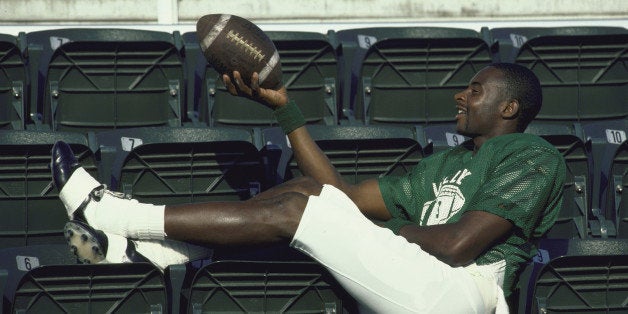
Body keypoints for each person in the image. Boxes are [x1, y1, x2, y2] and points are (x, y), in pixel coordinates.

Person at [51, 62, 565, 313]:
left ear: (509, 108)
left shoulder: (534, 157)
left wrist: (391, 230)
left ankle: (117, 218)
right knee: (305, 194)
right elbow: (336, 193)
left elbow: (457, 245)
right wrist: (284, 109)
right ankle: (150, 253)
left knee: (308, 208)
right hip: (415, 275)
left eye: (475, 90)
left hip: (462, 295)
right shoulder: (446, 162)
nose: (460, 94)